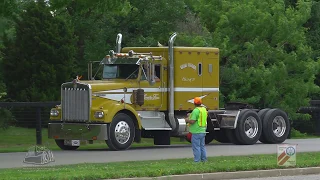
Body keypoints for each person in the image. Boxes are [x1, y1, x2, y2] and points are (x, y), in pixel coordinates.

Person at [185, 97, 208, 162]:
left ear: (194, 103)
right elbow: (199, 117)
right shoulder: (204, 109)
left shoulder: (195, 110)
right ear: (201, 103)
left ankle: (197, 161)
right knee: (202, 146)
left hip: (196, 131)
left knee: (196, 147)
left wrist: (187, 120)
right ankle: (204, 160)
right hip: (203, 130)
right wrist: (191, 115)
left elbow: (192, 121)